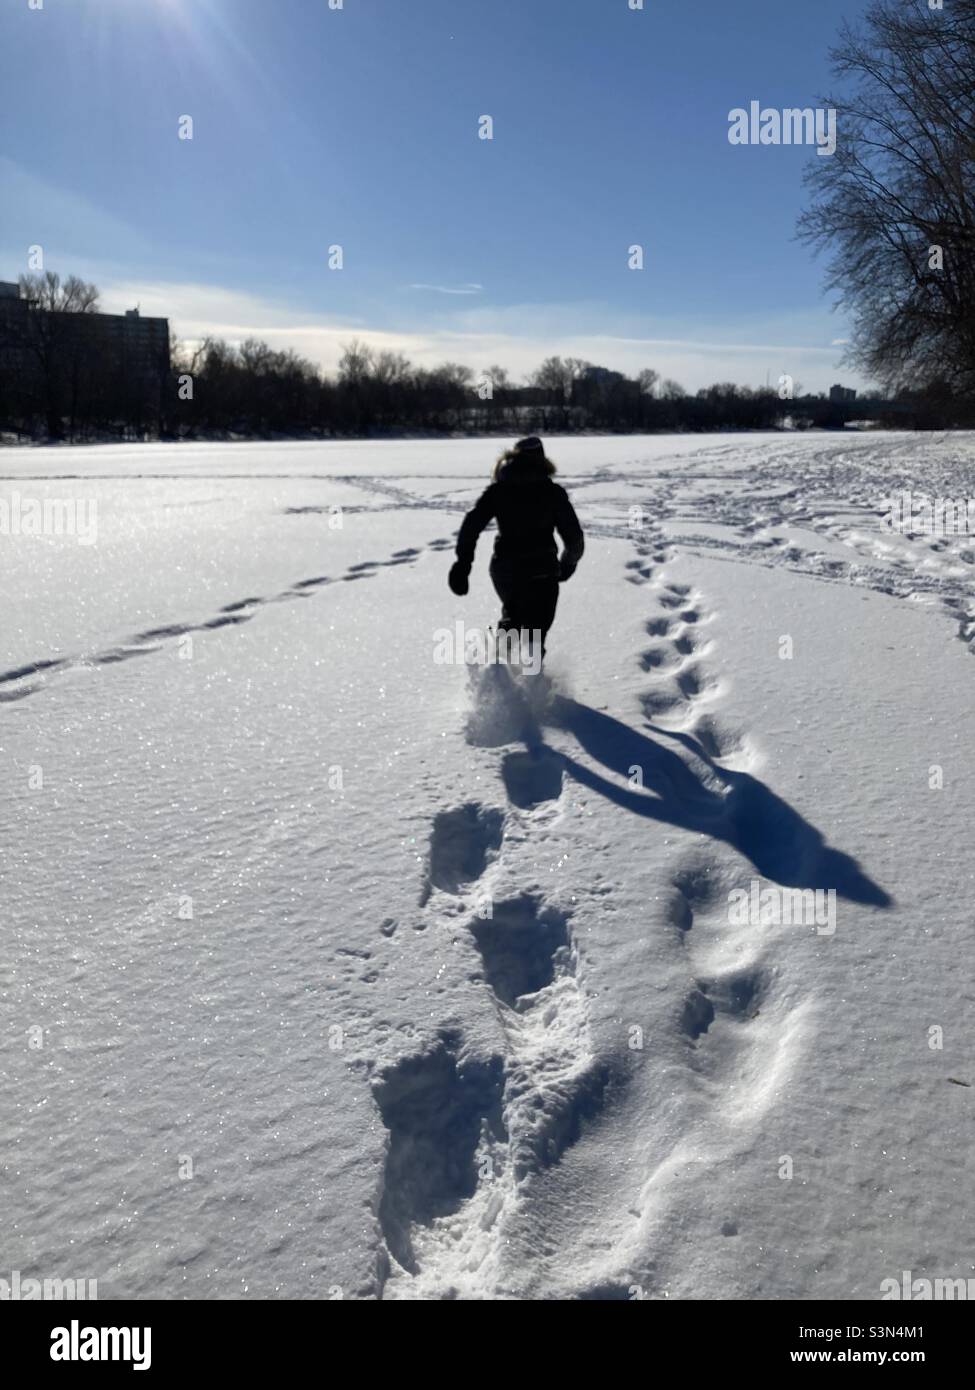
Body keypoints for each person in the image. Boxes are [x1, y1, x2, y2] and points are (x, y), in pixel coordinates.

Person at [448, 436, 584, 660]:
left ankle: (497, 668)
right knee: (536, 631)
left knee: (514, 615)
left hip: (505, 570)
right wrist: (568, 563)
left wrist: (462, 564)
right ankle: (531, 682)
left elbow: (471, 525)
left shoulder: (498, 490)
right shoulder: (552, 492)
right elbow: (575, 538)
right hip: (543, 570)